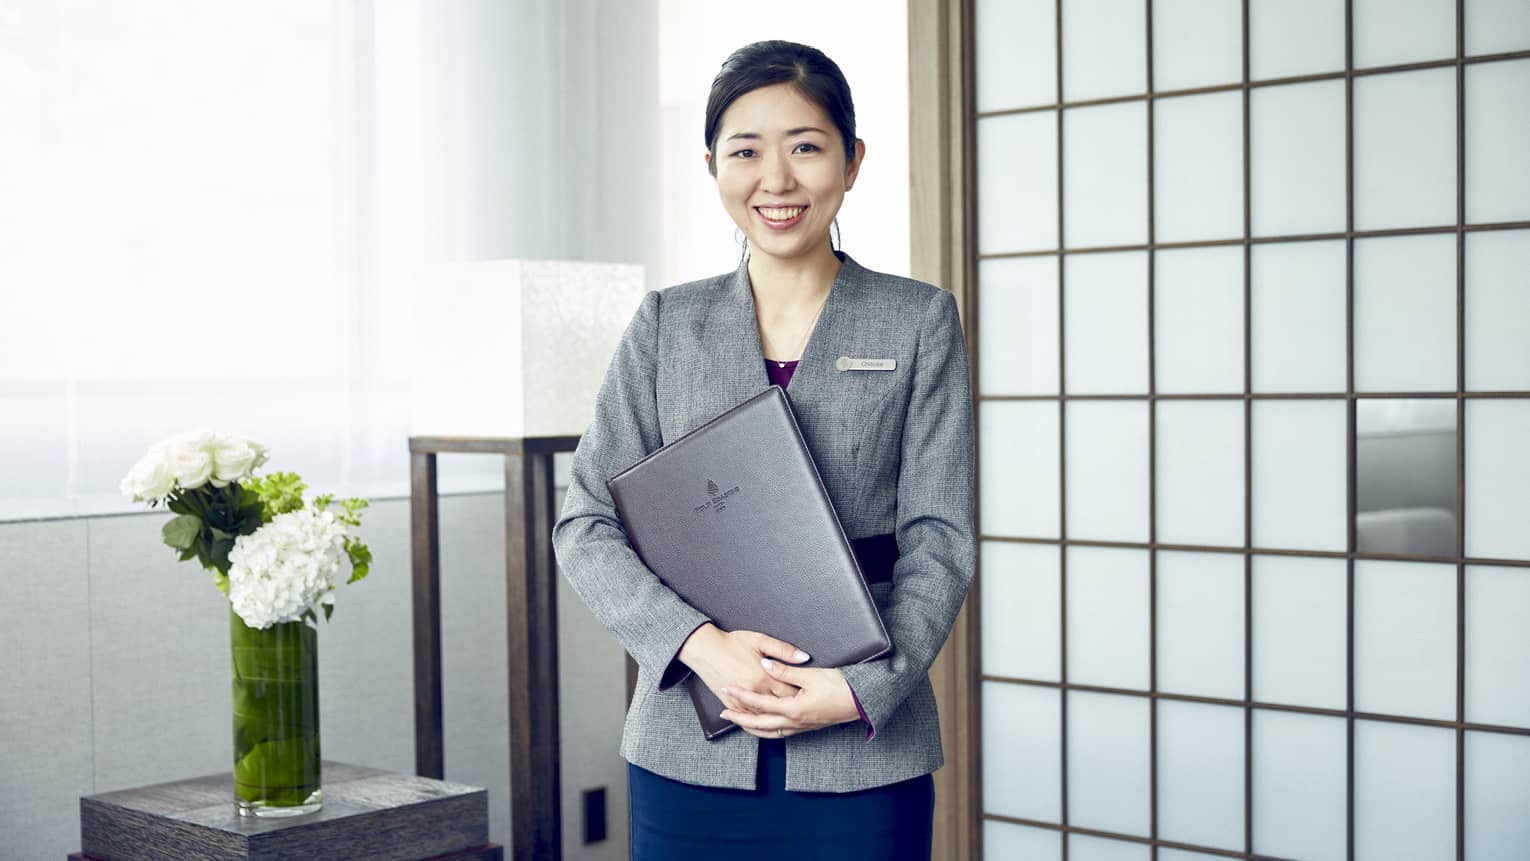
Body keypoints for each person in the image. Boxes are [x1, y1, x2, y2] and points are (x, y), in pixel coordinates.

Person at [550, 39, 975, 860]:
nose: (775, 181)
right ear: (712, 165)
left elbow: (941, 537)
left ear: (852, 162)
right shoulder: (665, 325)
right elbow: (586, 523)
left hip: (865, 753)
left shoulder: (919, 320)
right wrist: (700, 646)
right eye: (745, 152)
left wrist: (856, 688)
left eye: (806, 148)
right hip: (686, 748)